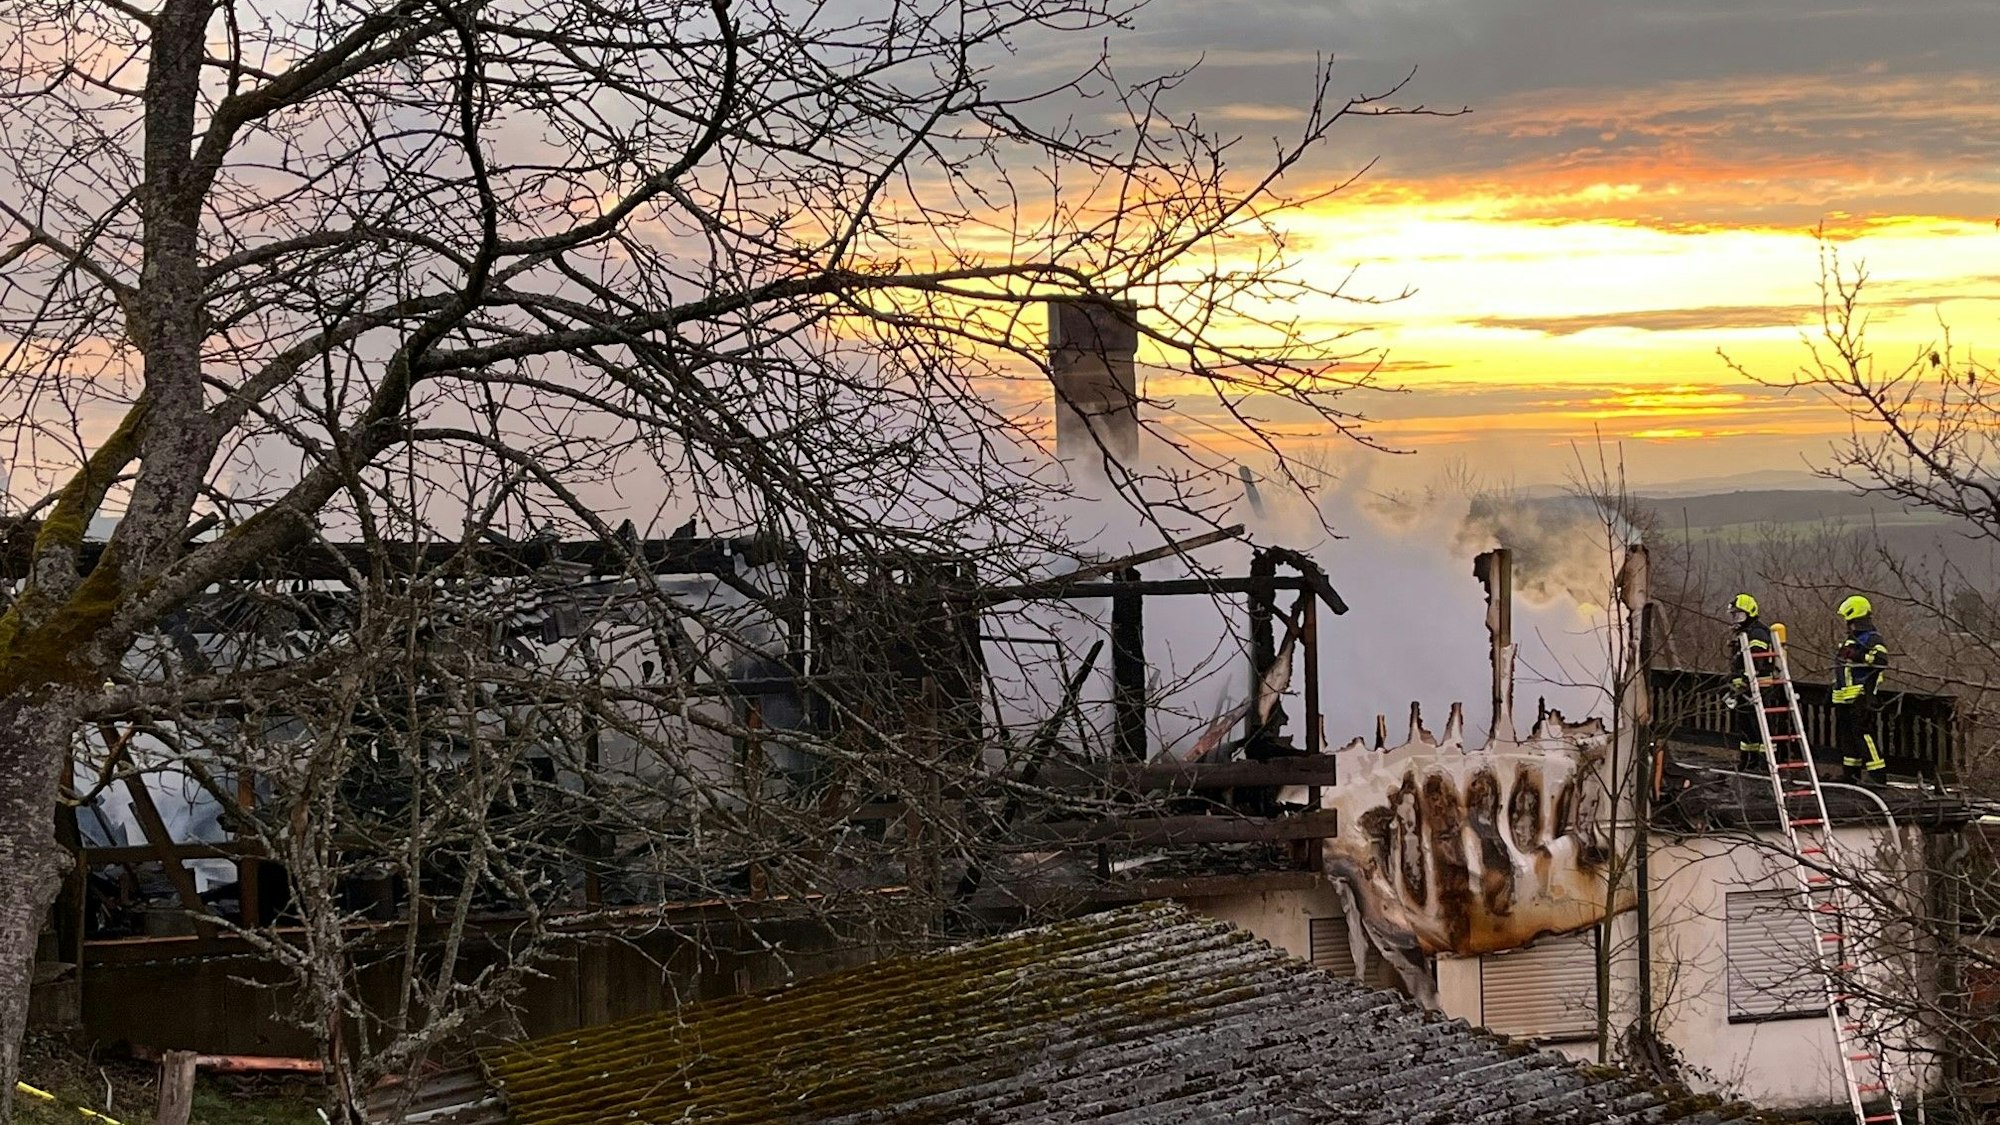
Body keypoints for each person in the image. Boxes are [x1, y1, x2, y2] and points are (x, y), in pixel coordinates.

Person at [1833, 594, 1890, 784]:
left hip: (1862, 697)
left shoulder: (1872, 638)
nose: (1846, 623)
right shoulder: (1851, 640)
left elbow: (1880, 660)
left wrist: (1855, 655)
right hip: (1845, 698)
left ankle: (1877, 776)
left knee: (1864, 736)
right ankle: (1850, 774)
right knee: (1847, 737)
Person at [1723, 593, 1779, 770]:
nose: (1736, 619)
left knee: (1761, 724)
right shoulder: (1744, 633)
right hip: (1744, 687)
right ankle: (1748, 760)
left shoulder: (1758, 633)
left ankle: (1765, 763)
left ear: (1750, 613)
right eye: (1734, 615)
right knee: (1746, 726)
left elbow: (1756, 661)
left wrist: (1745, 679)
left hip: (1759, 686)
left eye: (1739, 615)